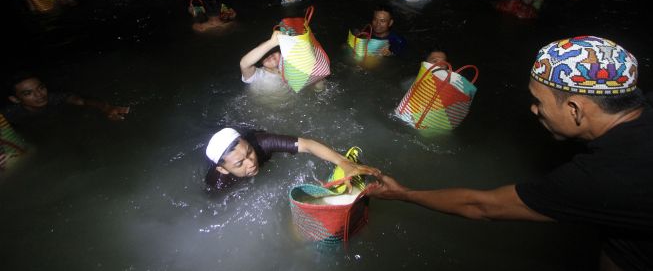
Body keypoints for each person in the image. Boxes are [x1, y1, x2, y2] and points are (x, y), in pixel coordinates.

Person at [367, 35, 653, 270]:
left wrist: (401, 193)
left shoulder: (603, 176)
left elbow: (482, 206)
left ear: (575, 109)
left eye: (538, 102)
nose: (534, 109)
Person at [204, 127, 381, 192]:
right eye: (239, 164)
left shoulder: (262, 143)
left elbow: (307, 145)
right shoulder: (219, 181)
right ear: (223, 169)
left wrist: (344, 163)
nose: (251, 163)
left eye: (249, 152)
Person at [2, 71, 130, 126]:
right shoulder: (8, 115)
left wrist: (106, 107)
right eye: (28, 93)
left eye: (40, 88)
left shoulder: (53, 98)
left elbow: (81, 100)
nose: (40, 95)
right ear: (15, 99)